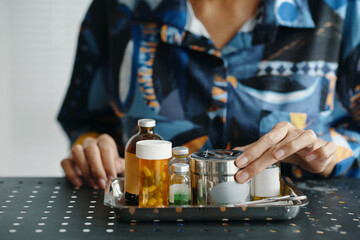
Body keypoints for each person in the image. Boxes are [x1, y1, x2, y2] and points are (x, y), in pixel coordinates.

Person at [58, 0, 360, 189]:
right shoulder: (116, 8)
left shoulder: (342, 9)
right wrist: (91, 147)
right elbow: (85, 121)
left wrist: (330, 154)